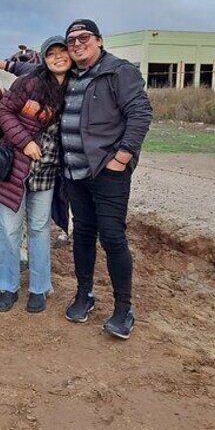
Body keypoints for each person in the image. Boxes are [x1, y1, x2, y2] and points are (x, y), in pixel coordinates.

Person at [60, 19, 152, 339]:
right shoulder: (67, 75)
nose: (77, 43)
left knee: (112, 237)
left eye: (84, 37)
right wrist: (1, 62)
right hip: (73, 172)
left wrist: (123, 156)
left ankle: (123, 309)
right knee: (83, 234)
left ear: (99, 40)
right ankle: (84, 294)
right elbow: (31, 65)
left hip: (107, 172)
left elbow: (140, 113)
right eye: (71, 39)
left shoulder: (118, 71)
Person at [0, 37, 71, 313]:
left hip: (47, 170)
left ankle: (40, 288)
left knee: (40, 228)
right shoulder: (30, 82)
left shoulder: (77, 86)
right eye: (51, 54)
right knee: (9, 228)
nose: (57, 57)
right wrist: (25, 142)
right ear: (44, 59)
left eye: (61, 52)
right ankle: (8, 286)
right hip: (14, 167)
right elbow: (4, 110)